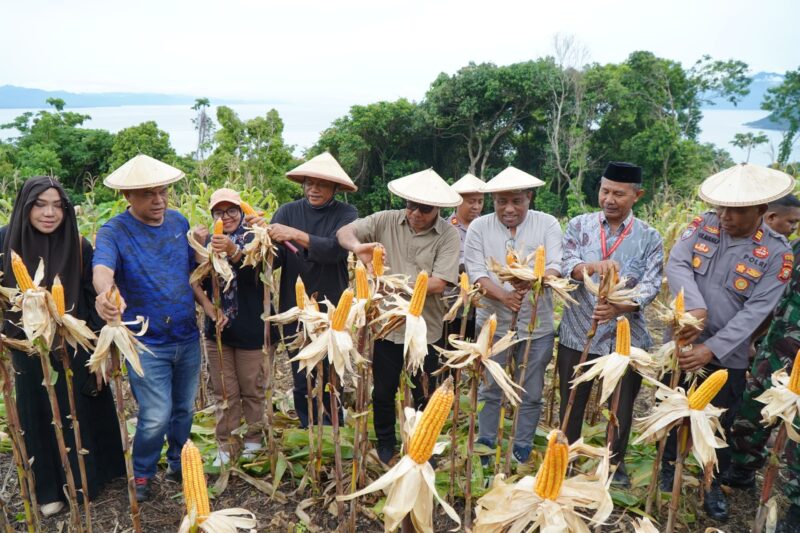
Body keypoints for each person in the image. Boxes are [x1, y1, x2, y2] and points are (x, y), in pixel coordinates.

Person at [661, 162, 795, 521]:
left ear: (761, 211)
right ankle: (667, 468)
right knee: (672, 409)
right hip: (682, 338)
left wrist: (712, 348)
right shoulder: (702, 225)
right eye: (722, 208)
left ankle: (712, 484)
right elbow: (677, 263)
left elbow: (757, 311)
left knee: (718, 423)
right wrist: (695, 308)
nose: (725, 217)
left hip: (727, 354)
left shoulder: (777, 253)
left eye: (735, 211)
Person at [0, 176, 125, 517]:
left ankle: (87, 480)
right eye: (40, 205)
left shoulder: (79, 245)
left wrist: (100, 349)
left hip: (74, 339)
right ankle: (49, 489)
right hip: (28, 346)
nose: (49, 213)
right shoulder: (4, 242)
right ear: (25, 207)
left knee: (79, 408)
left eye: (58, 206)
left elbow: (90, 295)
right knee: (38, 411)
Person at [92, 154, 201, 502]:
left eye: (162, 192)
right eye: (148, 194)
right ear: (128, 196)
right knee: (155, 415)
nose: (159, 200)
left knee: (184, 409)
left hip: (187, 335)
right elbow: (102, 269)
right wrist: (105, 294)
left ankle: (179, 463)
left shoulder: (178, 221)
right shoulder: (114, 231)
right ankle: (142, 473)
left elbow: (193, 268)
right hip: (145, 342)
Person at [337, 168, 461, 464]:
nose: (415, 213)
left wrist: (393, 284)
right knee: (383, 391)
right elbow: (344, 232)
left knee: (425, 392)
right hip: (386, 327)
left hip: (425, 329)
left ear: (438, 209)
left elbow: (439, 283)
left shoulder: (448, 235)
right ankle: (386, 443)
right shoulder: (385, 219)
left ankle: (422, 447)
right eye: (410, 205)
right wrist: (358, 247)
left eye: (424, 209)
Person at [557, 162, 663, 486]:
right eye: (605, 191)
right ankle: (566, 457)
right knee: (572, 400)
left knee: (622, 403)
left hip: (625, 337)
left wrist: (619, 306)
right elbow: (566, 263)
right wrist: (589, 267)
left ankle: (614, 463)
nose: (609, 199)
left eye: (619, 193)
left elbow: (651, 284)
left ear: (637, 196)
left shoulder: (649, 236)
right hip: (578, 332)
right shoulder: (579, 225)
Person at [464, 166, 563, 464]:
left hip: (537, 324)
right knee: (490, 385)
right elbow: (476, 272)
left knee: (531, 389)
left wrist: (533, 281)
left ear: (529, 197)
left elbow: (555, 265)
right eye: (501, 201)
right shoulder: (479, 227)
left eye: (517, 201)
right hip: (493, 324)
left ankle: (521, 444)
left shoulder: (547, 223)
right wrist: (504, 295)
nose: (509, 209)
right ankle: (486, 441)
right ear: (493, 200)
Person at [268, 152, 358, 428]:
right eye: (309, 183)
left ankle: (332, 430)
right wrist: (261, 242)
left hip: (332, 308)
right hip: (294, 306)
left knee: (331, 375)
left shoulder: (347, 215)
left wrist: (294, 234)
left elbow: (334, 250)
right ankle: (308, 427)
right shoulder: (287, 212)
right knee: (301, 376)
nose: (314, 189)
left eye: (322, 184)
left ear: (335, 188)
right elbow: (275, 259)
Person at [726, 236, 800, 532]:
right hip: (777, 349)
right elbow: (773, 299)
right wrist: (752, 338)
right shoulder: (795, 248)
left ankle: (797, 507)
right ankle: (742, 467)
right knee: (754, 406)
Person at [191, 188, 268, 466]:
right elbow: (195, 280)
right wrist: (209, 308)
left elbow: (258, 272)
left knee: (252, 388)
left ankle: (254, 440)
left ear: (241, 211)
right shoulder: (207, 242)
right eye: (219, 212)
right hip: (218, 331)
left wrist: (233, 251)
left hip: (250, 329)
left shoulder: (257, 238)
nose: (226, 217)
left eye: (232, 211)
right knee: (224, 391)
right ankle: (226, 444)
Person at [449, 173, 486, 267]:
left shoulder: (487, 227)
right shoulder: (447, 228)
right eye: (471, 202)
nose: (476, 207)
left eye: (480, 202)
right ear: (458, 201)